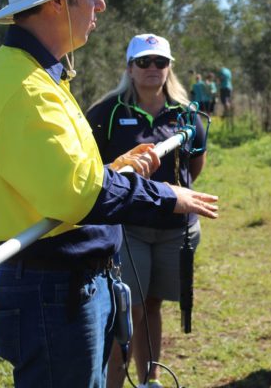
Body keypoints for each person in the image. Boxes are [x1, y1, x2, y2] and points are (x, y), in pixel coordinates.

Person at [0, 0, 219, 388]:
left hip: (75, 283)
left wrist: (117, 167)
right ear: (57, 1)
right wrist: (168, 196)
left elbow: (70, 174)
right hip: (54, 289)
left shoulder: (39, 75)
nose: (100, 4)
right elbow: (77, 194)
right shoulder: (24, 86)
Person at [86, 34, 207, 388]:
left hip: (175, 227)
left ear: (169, 68)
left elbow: (194, 165)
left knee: (152, 304)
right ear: (130, 68)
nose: (153, 69)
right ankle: (113, 383)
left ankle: (150, 380)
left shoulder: (186, 114)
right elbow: (89, 167)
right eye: (144, 62)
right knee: (127, 309)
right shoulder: (106, 112)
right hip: (128, 226)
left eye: (160, 62)